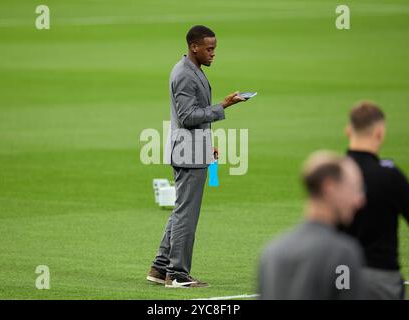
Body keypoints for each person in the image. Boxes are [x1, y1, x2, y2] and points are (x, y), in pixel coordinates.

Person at [147, 25, 246, 288]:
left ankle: (159, 268)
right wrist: (223, 106)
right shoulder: (184, 75)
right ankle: (177, 274)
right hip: (187, 153)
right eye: (209, 49)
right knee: (186, 216)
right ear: (194, 47)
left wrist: (207, 143)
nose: (214, 53)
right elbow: (188, 116)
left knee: (181, 211)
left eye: (215, 48)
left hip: (193, 148)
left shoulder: (192, 70)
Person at [259, 151, 366, 299]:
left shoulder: (271, 252)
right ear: (329, 188)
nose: (359, 200)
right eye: (353, 189)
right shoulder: (342, 254)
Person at [341, 101, 409, 299]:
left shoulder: (331, 174)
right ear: (379, 133)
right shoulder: (390, 176)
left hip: (340, 275)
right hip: (381, 276)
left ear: (348, 131)